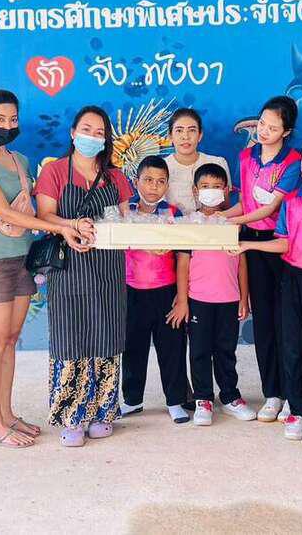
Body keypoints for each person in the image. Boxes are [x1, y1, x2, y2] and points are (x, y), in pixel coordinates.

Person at [0, 89, 82, 449]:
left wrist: (65, 222)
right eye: (0, 119)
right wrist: (59, 229)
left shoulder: (21, 161)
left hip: (23, 257)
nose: (7, 125)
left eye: (13, 119)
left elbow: (35, 209)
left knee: (11, 340)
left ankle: (8, 414)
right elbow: (5, 212)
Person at [34, 106, 133, 447]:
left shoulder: (116, 177)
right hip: (69, 266)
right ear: (73, 133)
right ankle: (71, 416)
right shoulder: (55, 171)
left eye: (99, 132)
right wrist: (71, 226)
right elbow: (45, 215)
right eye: (86, 129)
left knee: (107, 333)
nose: (92, 136)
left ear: (106, 139)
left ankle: (103, 411)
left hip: (108, 268)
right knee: (70, 336)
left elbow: (125, 220)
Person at [238, 131, 302, 444]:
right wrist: (248, 245)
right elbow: (284, 243)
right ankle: (296, 410)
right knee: (292, 347)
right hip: (292, 278)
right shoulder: (292, 200)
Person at [221, 96, 302, 423]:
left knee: (288, 323)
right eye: (262, 124)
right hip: (251, 243)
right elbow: (244, 203)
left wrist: (232, 222)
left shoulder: (294, 161)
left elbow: (271, 209)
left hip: (282, 245)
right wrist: (216, 217)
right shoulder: (246, 156)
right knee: (265, 321)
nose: (264, 132)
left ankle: (294, 394)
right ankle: (273, 393)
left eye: (273, 127)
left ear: (287, 132)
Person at [175, 163, 255, 426]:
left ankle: (230, 396)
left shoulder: (234, 223)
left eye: (217, 186)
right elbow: (183, 263)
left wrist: (243, 297)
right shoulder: (190, 223)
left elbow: (241, 263)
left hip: (228, 300)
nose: (211, 191)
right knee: (199, 351)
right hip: (199, 300)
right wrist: (183, 300)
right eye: (205, 186)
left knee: (226, 350)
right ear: (195, 191)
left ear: (226, 191)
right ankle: (203, 399)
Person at [120, 156, 189, 424]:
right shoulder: (125, 212)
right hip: (131, 292)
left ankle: (175, 400)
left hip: (166, 293)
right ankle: (132, 400)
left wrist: (182, 299)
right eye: (148, 180)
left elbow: (183, 258)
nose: (153, 186)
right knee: (132, 347)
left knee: (172, 348)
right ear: (136, 181)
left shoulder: (174, 214)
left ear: (167, 185)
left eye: (161, 181)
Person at [164, 107, 231, 213]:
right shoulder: (162, 168)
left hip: (213, 222)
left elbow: (226, 206)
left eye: (192, 130)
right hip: (173, 223)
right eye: (179, 130)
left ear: (200, 135)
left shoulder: (218, 163)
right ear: (170, 136)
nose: (185, 136)